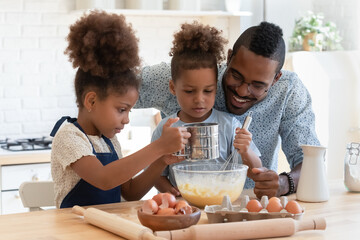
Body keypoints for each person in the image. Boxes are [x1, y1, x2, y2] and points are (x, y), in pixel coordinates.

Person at [135, 22, 320, 198]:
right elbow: (113, 87)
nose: (241, 91)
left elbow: (311, 161)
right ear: (229, 57)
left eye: (257, 85)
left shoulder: (289, 90)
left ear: (276, 78)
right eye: (236, 76)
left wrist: (283, 183)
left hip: (246, 205)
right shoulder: (186, 72)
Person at [50, 10, 190, 208]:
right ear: (91, 101)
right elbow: (103, 179)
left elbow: (131, 192)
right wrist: (159, 146)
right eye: (122, 110)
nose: (126, 120)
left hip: (106, 228)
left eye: (129, 111)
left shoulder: (109, 142)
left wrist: (161, 160)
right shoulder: (70, 137)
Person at [150, 21, 262, 196]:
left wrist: (246, 151)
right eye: (189, 91)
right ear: (173, 88)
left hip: (223, 203)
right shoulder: (166, 130)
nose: (199, 99)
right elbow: (155, 174)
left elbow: (256, 171)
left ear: (216, 88)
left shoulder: (230, 126)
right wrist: (170, 192)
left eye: (208, 91)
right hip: (183, 208)